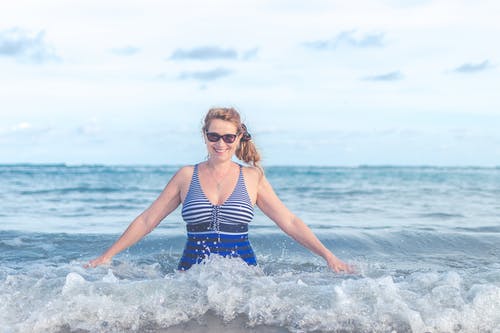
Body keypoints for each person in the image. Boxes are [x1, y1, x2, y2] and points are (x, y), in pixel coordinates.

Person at [86, 107, 352, 273]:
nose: (220, 143)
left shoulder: (252, 177)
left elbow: (289, 221)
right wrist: (106, 256)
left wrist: (328, 256)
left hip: (244, 279)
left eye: (228, 137)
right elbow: (147, 220)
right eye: (214, 136)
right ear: (205, 136)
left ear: (237, 139)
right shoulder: (185, 176)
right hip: (190, 277)